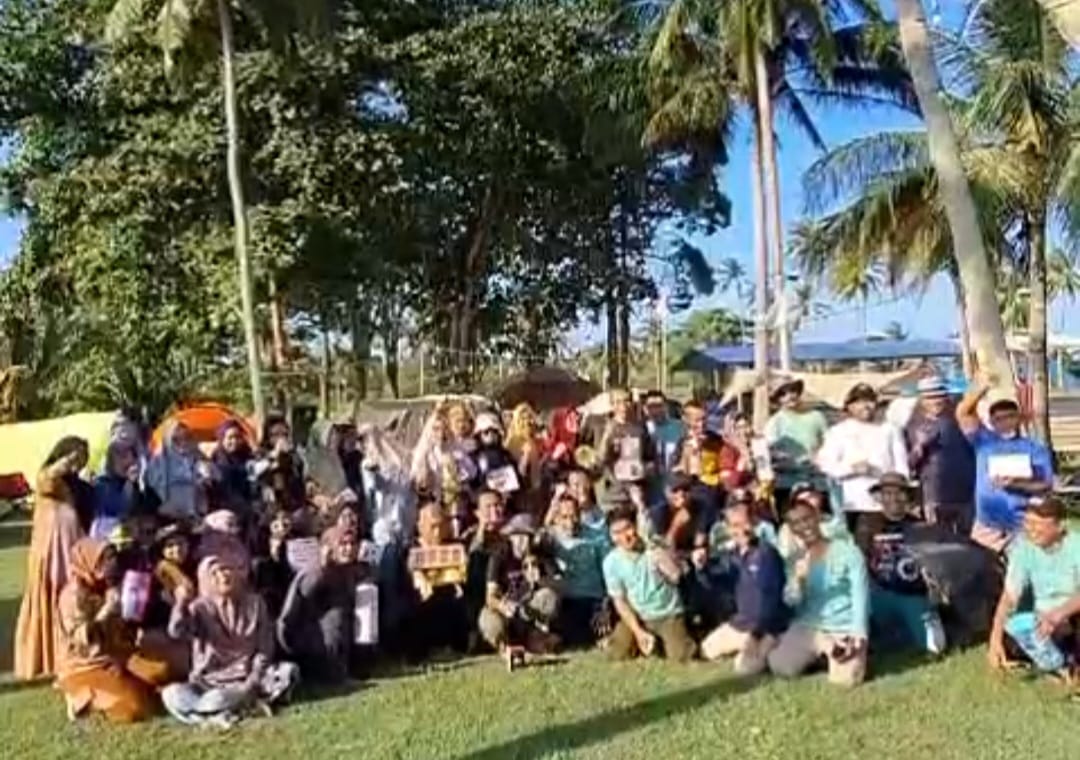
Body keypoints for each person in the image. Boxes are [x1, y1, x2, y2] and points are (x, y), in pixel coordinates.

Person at [162, 555, 299, 728]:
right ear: (205, 580)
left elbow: (265, 648)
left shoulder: (255, 604)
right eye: (214, 573)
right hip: (210, 683)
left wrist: (251, 682)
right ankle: (216, 713)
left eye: (226, 569)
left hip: (249, 679)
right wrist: (181, 603)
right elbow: (176, 632)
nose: (223, 576)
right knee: (172, 694)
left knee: (288, 672)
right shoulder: (199, 608)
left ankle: (216, 711)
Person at [767, 498, 870, 687]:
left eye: (806, 519)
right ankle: (824, 649)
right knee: (780, 667)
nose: (803, 526)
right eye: (796, 523)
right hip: (809, 628)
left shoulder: (848, 552)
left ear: (817, 517)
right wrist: (798, 581)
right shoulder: (794, 560)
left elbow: (860, 594)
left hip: (842, 627)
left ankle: (836, 654)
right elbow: (791, 601)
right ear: (791, 529)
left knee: (847, 681)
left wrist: (859, 631)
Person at [55, 538, 157, 723]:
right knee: (132, 708)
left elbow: (127, 623)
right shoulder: (73, 595)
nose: (111, 563)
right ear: (88, 560)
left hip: (117, 653)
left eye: (112, 557)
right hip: (86, 664)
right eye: (103, 559)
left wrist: (133, 606)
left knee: (159, 675)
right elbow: (81, 638)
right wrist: (107, 610)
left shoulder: (110, 584)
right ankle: (81, 698)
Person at [14, 436, 90, 680]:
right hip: (51, 549)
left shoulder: (74, 484)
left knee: (70, 600)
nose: (78, 464)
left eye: (83, 459)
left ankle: (68, 655)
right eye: (75, 458)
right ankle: (47, 658)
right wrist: (66, 461)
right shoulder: (47, 476)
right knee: (51, 598)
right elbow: (47, 479)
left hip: (69, 546)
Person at [957, 377, 1053, 552]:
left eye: (1010, 416)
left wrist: (1016, 484)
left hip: (1021, 525)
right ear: (992, 422)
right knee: (980, 566)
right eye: (999, 419)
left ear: (1018, 418)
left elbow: (1046, 485)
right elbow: (963, 413)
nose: (1005, 422)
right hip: (987, 525)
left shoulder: (1034, 448)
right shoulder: (983, 441)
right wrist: (981, 388)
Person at [987, 498, 1080, 676]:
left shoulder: (1076, 546)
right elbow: (1009, 597)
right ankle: (1061, 661)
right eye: (1028, 522)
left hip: (1071, 615)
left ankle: (1069, 662)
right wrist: (995, 639)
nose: (1031, 529)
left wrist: (1059, 614)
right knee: (1009, 639)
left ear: (1060, 526)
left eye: (1038, 523)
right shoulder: (1023, 548)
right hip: (1042, 619)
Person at [860, 473, 947, 655]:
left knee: (936, 647)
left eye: (899, 493)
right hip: (878, 593)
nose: (893, 498)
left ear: (907, 496)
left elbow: (932, 564)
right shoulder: (867, 523)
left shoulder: (919, 525)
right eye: (887, 493)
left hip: (912, 594)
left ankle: (904, 633)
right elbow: (858, 559)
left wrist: (933, 589)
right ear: (880, 497)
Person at [700, 500, 786, 675]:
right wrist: (702, 568)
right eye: (735, 525)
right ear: (728, 529)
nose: (741, 530)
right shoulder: (731, 556)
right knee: (706, 650)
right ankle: (748, 649)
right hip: (741, 623)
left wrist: (758, 633)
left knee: (746, 669)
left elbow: (772, 599)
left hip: (766, 627)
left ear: (753, 523)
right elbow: (717, 585)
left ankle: (771, 646)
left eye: (745, 523)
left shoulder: (767, 554)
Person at [603, 506, 695, 662]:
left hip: (667, 613)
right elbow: (620, 601)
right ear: (611, 536)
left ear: (636, 526)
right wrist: (638, 631)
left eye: (627, 529)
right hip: (639, 615)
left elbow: (676, 577)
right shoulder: (611, 562)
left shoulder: (653, 548)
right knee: (617, 654)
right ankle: (641, 641)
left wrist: (661, 558)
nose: (624, 537)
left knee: (681, 656)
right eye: (616, 533)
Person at [817, 383, 908, 536]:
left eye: (869, 401)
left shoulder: (890, 429)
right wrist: (851, 469)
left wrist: (901, 496)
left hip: (887, 504)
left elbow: (901, 465)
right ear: (849, 406)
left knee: (891, 545)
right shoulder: (838, 432)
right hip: (855, 504)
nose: (865, 406)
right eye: (859, 402)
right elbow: (825, 464)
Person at [277, 524, 364, 684]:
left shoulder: (347, 569)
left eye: (352, 544)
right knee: (336, 615)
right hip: (305, 636)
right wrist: (323, 571)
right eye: (343, 544)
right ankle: (332, 673)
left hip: (330, 635)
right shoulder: (314, 572)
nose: (349, 549)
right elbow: (295, 613)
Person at [478, 514, 560, 654]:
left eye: (525, 537)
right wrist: (502, 606)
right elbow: (490, 596)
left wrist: (540, 580)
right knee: (491, 623)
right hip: (505, 608)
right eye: (517, 536)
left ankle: (534, 637)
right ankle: (504, 645)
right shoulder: (499, 555)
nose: (521, 542)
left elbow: (558, 584)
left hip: (529, 610)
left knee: (549, 597)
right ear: (510, 537)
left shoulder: (539, 556)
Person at [905, 377, 975, 534]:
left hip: (965, 494)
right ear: (921, 399)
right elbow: (908, 464)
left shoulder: (961, 419)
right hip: (935, 496)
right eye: (930, 397)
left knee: (966, 540)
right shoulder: (912, 425)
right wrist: (919, 447)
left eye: (940, 396)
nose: (936, 401)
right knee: (940, 539)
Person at [544, 493, 608, 647]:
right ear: (556, 518)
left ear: (580, 515)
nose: (570, 522)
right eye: (564, 517)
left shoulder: (596, 536)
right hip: (567, 601)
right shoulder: (551, 538)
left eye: (574, 516)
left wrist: (606, 605)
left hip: (594, 599)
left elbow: (609, 572)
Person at [764, 378, 829, 508]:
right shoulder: (774, 423)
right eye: (783, 394)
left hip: (817, 482)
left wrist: (819, 456)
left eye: (792, 391)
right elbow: (770, 453)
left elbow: (829, 444)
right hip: (787, 484)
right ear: (777, 399)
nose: (789, 396)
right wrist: (787, 459)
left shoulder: (817, 416)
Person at [146, 421, 211, 523]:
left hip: (197, 515)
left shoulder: (198, 457)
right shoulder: (158, 462)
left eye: (186, 437)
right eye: (176, 439)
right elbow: (152, 488)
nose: (183, 443)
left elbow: (214, 480)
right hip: (168, 517)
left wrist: (206, 478)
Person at [672, 400, 724, 529]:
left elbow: (725, 465)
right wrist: (688, 455)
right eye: (696, 420)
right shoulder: (682, 443)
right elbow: (676, 473)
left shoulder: (716, 441)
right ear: (686, 421)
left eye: (704, 419)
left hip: (714, 497)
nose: (701, 424)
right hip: (693, 499)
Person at [91, 440, 148, 540]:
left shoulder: (134, 484)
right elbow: (121, 509)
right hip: (107, 536)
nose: (130, 462)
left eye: (133, 457)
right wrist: (130, 483)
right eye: (123, 457)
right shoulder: (102, 485)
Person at [600, 390, 657, 489]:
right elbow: (600, 459)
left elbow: (650, 457)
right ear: (612, 405)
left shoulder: (640, 427)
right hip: (613, 488)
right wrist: (607, 436)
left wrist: (644, 470)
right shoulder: (602, 426)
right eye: (618, 402)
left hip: (637, 486)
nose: (623, 406)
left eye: (626, 401)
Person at [254, 414, 306, 513]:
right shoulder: (260, 453)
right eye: (276, 434)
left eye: (284, 434)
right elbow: (256, 472)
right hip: (267, 504)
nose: (281, 438)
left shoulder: (293, 454)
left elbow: (300, 475)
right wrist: (275, 455)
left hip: (293, 504)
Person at [209, 419, 255, 516]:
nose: (234, 441)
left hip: (250, 507)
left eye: (238, 437)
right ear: (222, 439)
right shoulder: (217, 459)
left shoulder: (248, 456)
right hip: (223, 511)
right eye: (230, 437)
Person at [642, 390, 684, 496]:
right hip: (650, 488)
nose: (656, 410)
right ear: (645, 409)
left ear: (666, 407)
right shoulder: (640, 430)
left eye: (659, 406)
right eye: (651, 406)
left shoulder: (679, 428)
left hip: (675, 486)